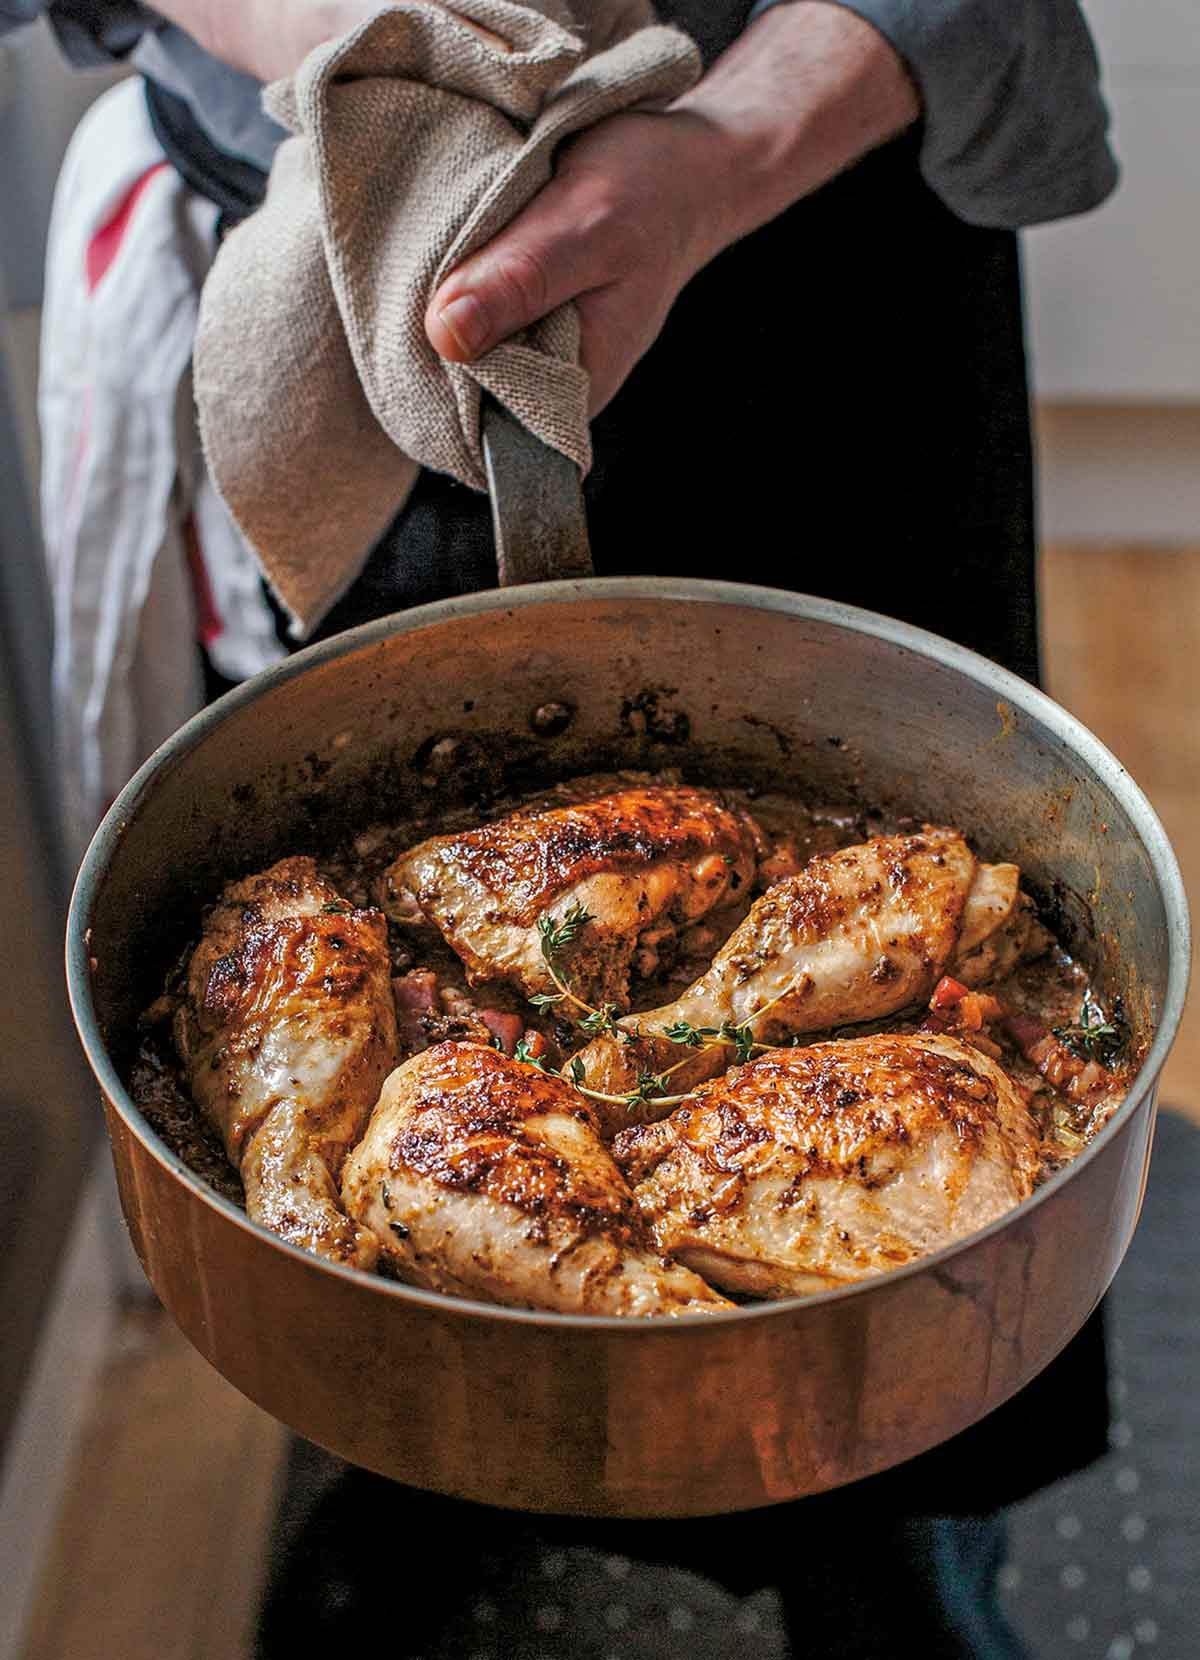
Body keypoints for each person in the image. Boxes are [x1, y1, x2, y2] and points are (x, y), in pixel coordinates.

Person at [6, 2, 1117, 1654]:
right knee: (409, 1250)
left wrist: (725, 147)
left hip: (820, 252)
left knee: (917, 1343)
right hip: (358, 317)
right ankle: (417, 1474)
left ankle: (902, 1543)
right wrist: (394, 57)